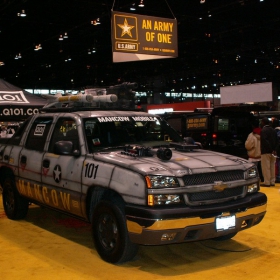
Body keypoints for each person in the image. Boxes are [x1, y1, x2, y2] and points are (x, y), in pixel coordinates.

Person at [260, 117, 278, 187]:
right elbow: (277, 141)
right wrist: (274, 150)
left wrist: (270, 149)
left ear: (263, 122)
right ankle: (272, 181)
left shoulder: (263, 130)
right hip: (274, 152)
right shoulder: (273, 130)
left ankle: (267, 182)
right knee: (272, 166)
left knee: (266, 167)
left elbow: (265, 141)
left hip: (266, 151)